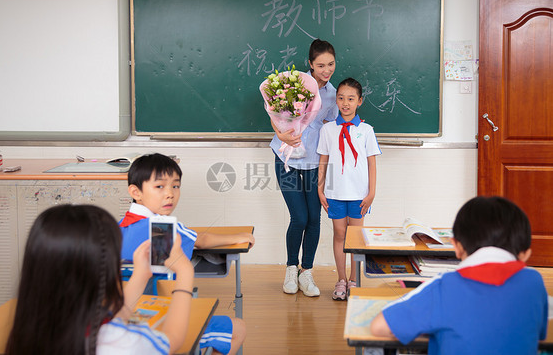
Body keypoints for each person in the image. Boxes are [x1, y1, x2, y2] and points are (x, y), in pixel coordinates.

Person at [6, 204, 195, 355]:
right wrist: (185, 272)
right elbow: (173, 339)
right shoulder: (125, 343)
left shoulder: (28, 331)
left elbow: (111, 318)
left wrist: (140, 275)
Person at [370, 196, 549, 355]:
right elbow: (539, 332)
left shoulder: (445, 286)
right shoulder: (534, 283)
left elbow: (379, 327)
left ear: (456, 246)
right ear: (525, 254)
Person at [119, 153, 253, 355]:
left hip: (124, 320)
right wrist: (239, 236)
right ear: (136, 192)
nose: (170, 194)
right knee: (238, 328)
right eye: (160, 186)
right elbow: (202, 241)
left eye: (175, 186)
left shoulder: (116, 228)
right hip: (157, 320)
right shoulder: (162, 230)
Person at [270, 38, 339, 297]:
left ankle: (306, 272)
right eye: (320, 65)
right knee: (298, 217)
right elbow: (274, 115)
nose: (326, 70)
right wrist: (283, 135)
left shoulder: (334, 94)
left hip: (314, 162)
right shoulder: (293, 86)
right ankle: (291, 268)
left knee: (314, 218)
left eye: (331, 64)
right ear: (310, 64)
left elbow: (332, 129)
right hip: (285, 157)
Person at [317, 77, 381, 300]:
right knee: (339, 234)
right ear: (336, 100)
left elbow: (372, 163)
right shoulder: (327, 130)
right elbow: (323, 160)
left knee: (355, 237)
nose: (345, 103)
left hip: (359, 194)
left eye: (351, 99)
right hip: (335, 192)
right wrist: (320, 189)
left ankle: (354, 279)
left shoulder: (366, 130)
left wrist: (371, 193)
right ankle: (341, 280)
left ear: (360, 101)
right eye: (341, 98)